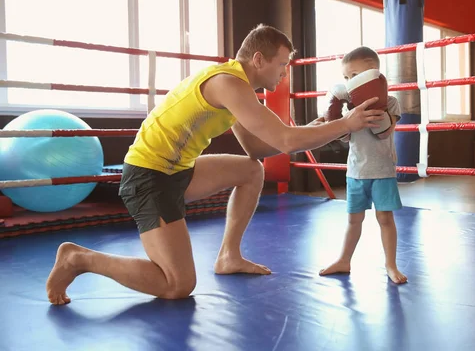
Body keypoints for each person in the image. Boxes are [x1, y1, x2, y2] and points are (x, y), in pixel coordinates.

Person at [45, 24, 385, 305]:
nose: (284, 73)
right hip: (149, 177)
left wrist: (311, 130)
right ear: (258, 59)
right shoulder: (228, 84)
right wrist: (345, 124)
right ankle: (80, 258)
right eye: (281, 65)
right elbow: (284, 142)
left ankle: (228, 256)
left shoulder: (236, 88)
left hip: (178, 171)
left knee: (251, 170)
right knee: (177, 285)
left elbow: (256, 148)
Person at [318, 46, 407, 285]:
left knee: (385, 219)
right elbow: (344, 137)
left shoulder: (391, 102)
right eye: (345, 78)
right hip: (356, 171)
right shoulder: (348, 108)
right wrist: (338, 117)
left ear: (372, 73)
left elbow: (384, 131)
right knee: (353, 221)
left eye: (353, 76)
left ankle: (390, 264)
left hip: (382, 172)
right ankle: (344, 260)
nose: (348, 83)